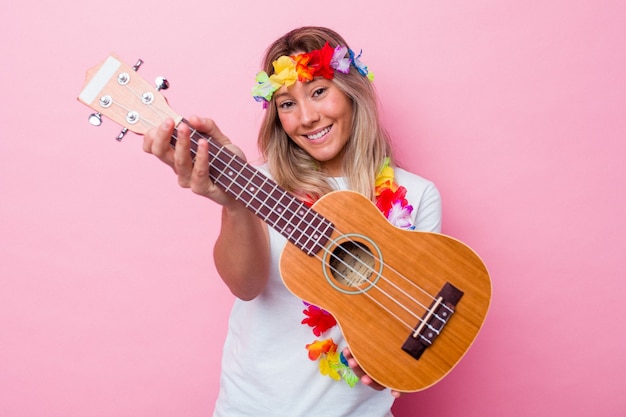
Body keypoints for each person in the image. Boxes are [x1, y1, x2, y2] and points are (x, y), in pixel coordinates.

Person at [143, 26, 441, 417]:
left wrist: (394, 367)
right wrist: (235, 204)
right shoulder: (260, 186)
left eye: (319, 91)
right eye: (286, 104)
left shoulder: (416, 196)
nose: (306, 118)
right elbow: (245, 286)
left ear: (352, 92)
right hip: (253, 407)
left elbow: (424, 319)